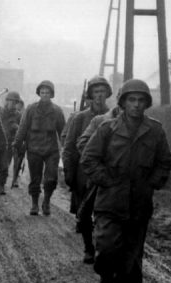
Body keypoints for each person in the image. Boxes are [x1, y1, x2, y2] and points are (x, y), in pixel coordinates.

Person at [80, 78, 171, 283]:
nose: (136, 105)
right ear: (122, 102)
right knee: (108, 248)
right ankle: (105, 278)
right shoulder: (107, 129)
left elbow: (165, 162)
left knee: (131, 257)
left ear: (146, 104)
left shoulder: (155, 131)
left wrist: (152, 183)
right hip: (110, 201)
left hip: (139, 204)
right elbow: (88, 159)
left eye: (141, 100)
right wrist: (107, 180)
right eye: (131, 100)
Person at [61, 76, 113, 264]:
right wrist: (69, 172)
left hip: (104, 174)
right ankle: (88, 248)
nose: (99, 96)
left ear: (108, 94)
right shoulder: (80, 118)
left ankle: (101, 248)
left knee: (104, 215)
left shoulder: (114, 116)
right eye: (95, 92)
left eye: (102, 92)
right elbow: (69, 147)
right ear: (90, 95)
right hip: (83, 174)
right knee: (83, 214)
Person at [13, 80, 66, 216]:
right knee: (35, 179)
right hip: (34, 149)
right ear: (39, 94)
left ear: (51, 94)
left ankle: (46, 201)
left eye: (47, 93)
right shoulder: (31, 109)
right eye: (42, 92)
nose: (45, 95)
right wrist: (17, 143)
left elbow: (63, 132)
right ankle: (35, 204)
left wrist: (66, 148)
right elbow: (23, 128)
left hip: (51, 150)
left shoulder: (57, 111)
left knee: (51, 179)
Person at [0, 91, 23, 195]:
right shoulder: (0, 112)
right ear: (7, 101)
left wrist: (17, 127)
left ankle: (1, 186)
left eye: (15, 102)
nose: (13, 104)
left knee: (5, 166)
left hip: (9, 145)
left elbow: (22, 130)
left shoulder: (19, 115)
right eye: (11, 101)